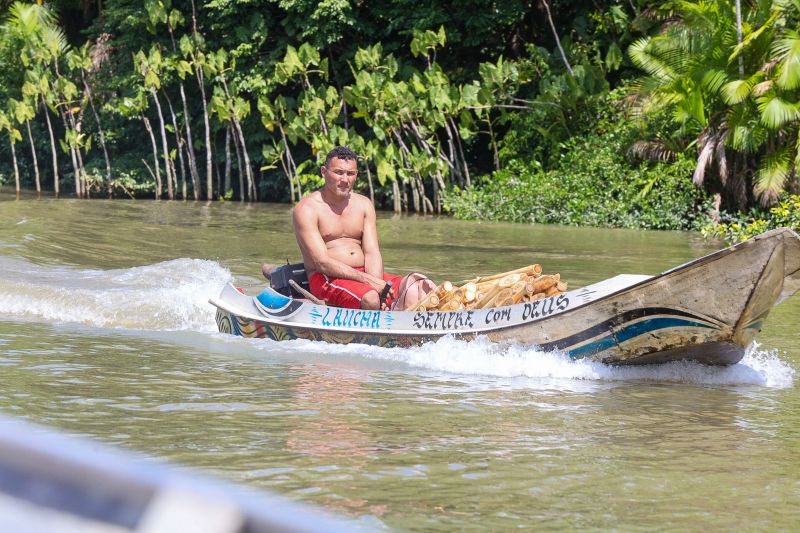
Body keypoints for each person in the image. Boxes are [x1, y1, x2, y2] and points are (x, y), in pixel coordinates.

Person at [288, 146, 435, 310]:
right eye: (338, 172)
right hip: (326, 278)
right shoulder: (307, 209)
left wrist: (380, 287)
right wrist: (371, 284)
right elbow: (322, 262)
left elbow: (372, 252)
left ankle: (405, 325)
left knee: (419, 285)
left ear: (356, 175)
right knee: (371, 299)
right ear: (324, 171)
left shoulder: (364, 204)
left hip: (364, 275)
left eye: (350, 174)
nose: (345, 179)